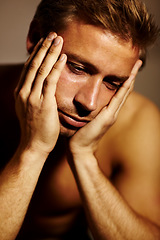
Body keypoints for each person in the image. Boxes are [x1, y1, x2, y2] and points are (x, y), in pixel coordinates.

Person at [0, 0, 160, 239]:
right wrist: (33, 150)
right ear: (35, 38)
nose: (90, 103)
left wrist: (84, 157)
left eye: (112, 83)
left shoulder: (136, 123)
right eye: (77, 68)